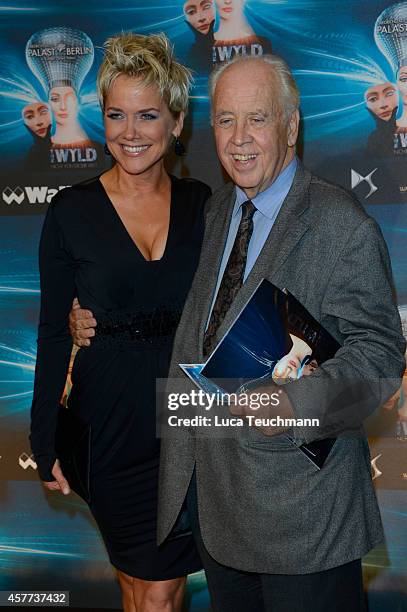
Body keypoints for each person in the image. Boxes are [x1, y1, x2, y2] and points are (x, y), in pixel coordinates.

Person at [71, 55, 406, 612]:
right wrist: (81, 319)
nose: (240, 138)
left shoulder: (340, 223)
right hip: (220, 519)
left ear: (291, 126)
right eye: (226, 121)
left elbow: (379, 359)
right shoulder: (215, 210)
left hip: (305, 523)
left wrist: (292, 401)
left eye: (258, 119)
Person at [30, 32, 211, 612]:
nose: (130, 132)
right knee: (141, 584)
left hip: (187, 420)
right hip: (108, 420)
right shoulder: (71, 211)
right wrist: (43, 435)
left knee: (158, 587)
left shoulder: (204, 204)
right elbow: (55, 329)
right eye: (116, 115)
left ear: (176, 123)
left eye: (148, 115)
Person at [364, 82, 398, 156]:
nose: (383, 105)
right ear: (367, 107)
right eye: (373, 99)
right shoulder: (373, 140)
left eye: (389, 94)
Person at [183, 0, 215, 71]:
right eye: (191, 12)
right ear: (185, 19)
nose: (201, 18)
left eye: (206, 7)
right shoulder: (190, 57)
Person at [22, 101, 52, 170]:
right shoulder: (31, 157)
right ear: (26, 125)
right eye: (29, 116)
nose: (39, 122)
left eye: (43, 112)